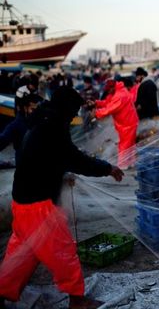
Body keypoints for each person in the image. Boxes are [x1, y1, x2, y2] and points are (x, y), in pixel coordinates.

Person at [0, 86, 124, 309]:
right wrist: (107, 168)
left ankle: (3, 289)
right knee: (63, 251)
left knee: (22, 253)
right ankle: (77, 299)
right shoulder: (52, 128)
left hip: (21, 201)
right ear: (66, 108)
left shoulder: (41, 120)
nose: (76, 115)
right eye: (74, 110)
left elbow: (47, 158)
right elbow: (75, 159)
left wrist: (60, 172)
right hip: (39, 204)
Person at [91, 79, 139, 170]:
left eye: (109, 90)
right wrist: (97, 103)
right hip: (128, 122)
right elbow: (109, 102)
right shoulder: (119, 91)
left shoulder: (119, 95)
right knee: (130, 144)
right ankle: (131, 162)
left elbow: (110, 108)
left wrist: (97, 113)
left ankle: (123, 165)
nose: (108, 92)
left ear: (112, 88)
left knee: (124, 144)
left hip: (127, 123)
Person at [0, 93, 42, 163]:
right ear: (25, 108)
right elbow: (2, 140)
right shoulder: (16, 125)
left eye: (37, 109)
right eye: (33, 109)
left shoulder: (37, 120)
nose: (35, 112)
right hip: (24, 164)